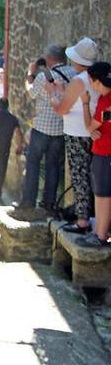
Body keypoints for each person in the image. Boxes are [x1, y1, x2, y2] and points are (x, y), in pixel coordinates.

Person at [12, 45, 71, 221]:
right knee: (53, 166)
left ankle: (28, 201)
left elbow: (30, 93)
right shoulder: (73, 74)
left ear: (50, 59)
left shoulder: (42, 77)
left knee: (33, 164)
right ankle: (49, 203)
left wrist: (29, 74)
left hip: (42, 128)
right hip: (61, 128)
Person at [51, 37, 100, 233]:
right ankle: (93, 216)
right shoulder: (96, 78)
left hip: (76, 134)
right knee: (92, 176)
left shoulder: (80, 81)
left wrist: (54, 95)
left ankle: (82, 220)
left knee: (80, 177)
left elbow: (61, 108)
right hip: (92, 132)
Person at [77, 62, 111, 250]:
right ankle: (99, 230)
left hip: (105, 152)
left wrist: (84, 103)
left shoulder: (106, 101)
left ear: (96, 81)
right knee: (101, 194)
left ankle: (100, 235)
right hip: (104, 150)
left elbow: (90, 126)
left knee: (103, 195)